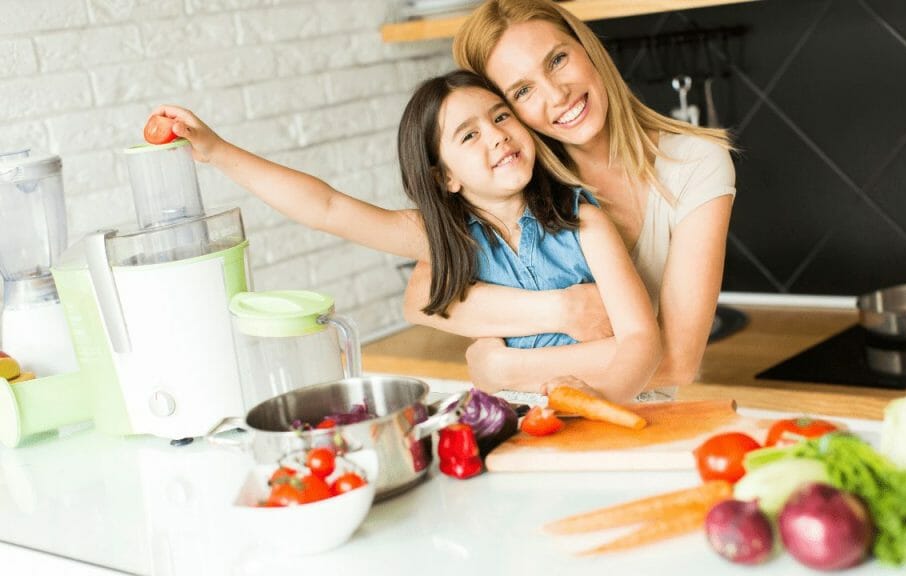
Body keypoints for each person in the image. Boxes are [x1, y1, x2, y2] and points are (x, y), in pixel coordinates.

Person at [152, 70, 661, 404]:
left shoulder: (583, 220)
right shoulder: (443, 239)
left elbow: (639, 339)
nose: (498, 134)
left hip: (611, 398)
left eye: (501, 116)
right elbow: (326, 207)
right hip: (515, 414)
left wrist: (597, 402)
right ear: (445, 178)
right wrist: (217, 151)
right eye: (469, 135)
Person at [403, 0, 735, 398]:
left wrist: (507, 368)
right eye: (523, 90)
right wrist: (564, 309)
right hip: (534, 427)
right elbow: (421, 295)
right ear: (506, 110)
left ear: (587, 47)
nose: (557, 94)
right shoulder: (516, 180)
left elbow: (677, 361)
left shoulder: (694, 163)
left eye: (557, 59)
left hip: (635, 423)